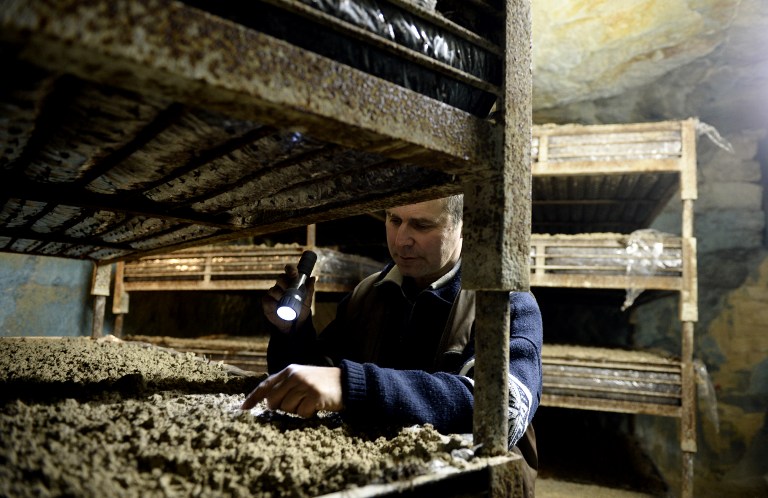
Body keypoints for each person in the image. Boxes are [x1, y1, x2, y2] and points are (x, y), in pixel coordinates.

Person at [241, 194, 543, 493]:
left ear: (465, 226)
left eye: (422, 225)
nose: (401, 240)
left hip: (466, 486)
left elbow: (506, 410)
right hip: (378, 476)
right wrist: (293, 331)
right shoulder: (367, 295)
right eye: (394, 220)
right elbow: (317, 378)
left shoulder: (504, 302)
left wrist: (354, 386)